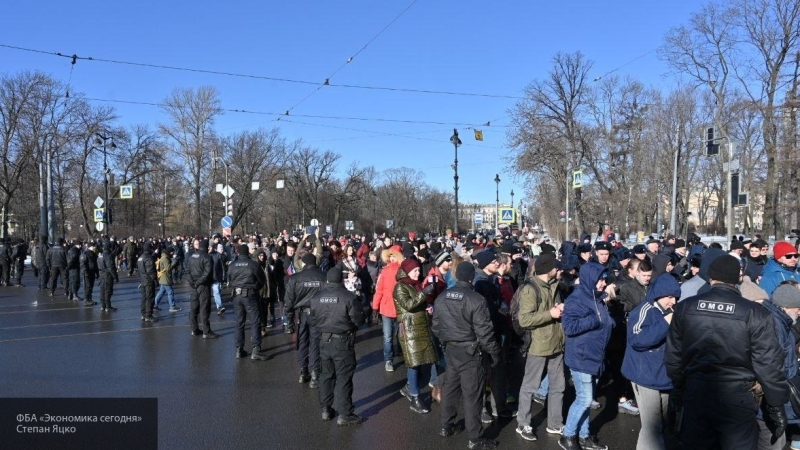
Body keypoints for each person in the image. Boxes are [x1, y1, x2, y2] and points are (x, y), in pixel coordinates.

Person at [665, 255, 789, 449]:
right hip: (738, 397)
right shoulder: (756, 313)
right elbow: (769, 364)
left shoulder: (686, 307)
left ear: (711, 278)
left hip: (698, 390)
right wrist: (776, 405)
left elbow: (674, 356)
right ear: (737, 279)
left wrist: (678, 388)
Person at [432, 261, 501, 450]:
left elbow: (436, 326)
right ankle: (475, 438)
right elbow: (485, 333)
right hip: (471, 353)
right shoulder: (476, 299)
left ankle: (447, 426)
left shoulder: (442, 297)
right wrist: (494, 353)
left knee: (451, 389)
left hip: (452, 350)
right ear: (471, 277)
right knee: (473, 396)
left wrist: (447, 341)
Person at [621, 274, 681, 450]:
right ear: (658, 294)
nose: (673, 301)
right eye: (669, 297)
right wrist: (665, 323)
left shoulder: (670, 312)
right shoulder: (643, 310)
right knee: (651, 426)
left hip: (664, 375)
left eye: (676, 297)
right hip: (644, 375)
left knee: (661, 422)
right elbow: (637, 339)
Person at [559, 262, 614, 450]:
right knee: (583, 399)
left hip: (596, 357)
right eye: (600, 280)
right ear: (591, 279)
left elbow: (603, 320)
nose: (603, 283)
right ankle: (567, 436)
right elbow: (569, 327)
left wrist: (610, 322)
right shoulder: (577, 299)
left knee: (587, 400)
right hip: (581, 357)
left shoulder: (596, 298)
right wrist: (595, 320)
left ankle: (584, 436)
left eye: (605, 280)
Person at [515, 253, 566, 442]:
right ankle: (523, 423)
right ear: (548, 270)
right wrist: (550, 313)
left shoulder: (554, 285)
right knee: (530, 386)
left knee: (558, 386)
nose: (559, 270)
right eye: (556, 267)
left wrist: (560, 308)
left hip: (557, 342)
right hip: (538, 344)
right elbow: (525, 319)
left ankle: (555, 423)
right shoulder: (530, 289)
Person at [310, 266, 365, 426]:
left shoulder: (317, 297)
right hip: (342, 341)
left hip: (324, 340)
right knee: (343, 377)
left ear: (327, 280)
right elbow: (358, 320)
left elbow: (312, 320)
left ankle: (326, 409)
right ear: (342, 280)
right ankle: (345, 414)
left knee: (326, 375)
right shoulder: (349, 297)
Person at [758, 284, 800, 450]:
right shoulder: (775, 326)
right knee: (772, 443)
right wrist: (776, 407)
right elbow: (770, 368)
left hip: (778, 396)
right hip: (772, 399)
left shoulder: (782, 322)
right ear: (786, 306)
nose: (799, 312)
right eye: (798, 308)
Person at [394, 258, 439, 414]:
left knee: (423, 361)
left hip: (421, 327)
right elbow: (407, 305)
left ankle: (409, 387)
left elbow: (417, 303)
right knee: (414, 363)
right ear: (407, 271)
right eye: (415, 271)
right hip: (408, 328)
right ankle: (414, 397)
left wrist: (427, 307)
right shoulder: (400, 287)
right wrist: (423, 293)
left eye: (419, 270)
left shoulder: (415, 284)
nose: (418, 273)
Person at [285, 252, 327, 387]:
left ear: (303, 263)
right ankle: (315, 374)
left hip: (302, 314)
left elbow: (289, 301)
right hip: (318, 314)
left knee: (302, 342)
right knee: (315, 343)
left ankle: (303, 372)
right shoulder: (324, 276)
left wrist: (289, 319)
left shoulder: (295, 278)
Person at [229, 244, 267, 361]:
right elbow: (262, 280)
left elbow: (229, 279)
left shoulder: (232, 265)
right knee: (255, 321)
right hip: (250, 295)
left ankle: (239, 349)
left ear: (238, 252)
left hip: (236, 295)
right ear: (248, 253)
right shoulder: (253, 265)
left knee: (239, 322)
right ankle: (256, 349)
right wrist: (255, 287)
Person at [372, 245, 404, 372]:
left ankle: (393, 356)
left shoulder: (403, 271)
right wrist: (375, 306)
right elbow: (379, 290)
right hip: (387, 308)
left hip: (398, 308)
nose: (392, 258)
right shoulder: (385, 271)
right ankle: (388, 360)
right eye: (390, 255)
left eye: (394, 255)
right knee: (388, 336)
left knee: (396, 335)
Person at [187, 239, 216, 339]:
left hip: (194, 286)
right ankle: (206, 332)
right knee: (204, 308)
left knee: (194, 308)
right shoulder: (207, 257)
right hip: (203, 286)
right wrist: (199, 282)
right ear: (207, 247)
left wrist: (192, 283)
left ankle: (194, 329)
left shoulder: (192, 256)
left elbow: (188, 271)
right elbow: (207, 273)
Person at [155, 246, 181, 312]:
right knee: (170, 292)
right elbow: (168, 268)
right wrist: (174, 261)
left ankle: (154, 304)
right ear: (169, 252)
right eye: (172, 252)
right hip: (165, 278)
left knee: (161, 292)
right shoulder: (165, 259)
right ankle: (172, 307)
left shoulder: (164, 257)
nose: (173, 253)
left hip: (163, 278)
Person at [137, 242, 158, 322]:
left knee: (144, 298)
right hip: (148, 281)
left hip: (142, 280)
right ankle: (148, 315)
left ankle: (143, 314)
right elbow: (151, 271)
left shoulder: (140, 258)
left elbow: (139, 271)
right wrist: (155, 280)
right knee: (150, 298)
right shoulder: (149, 258)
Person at [97, 240, 119, 312]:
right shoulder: (108, 256)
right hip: (107, 275)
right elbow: (111, 267)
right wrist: (115, 277)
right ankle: (108, 306)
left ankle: (103, 306)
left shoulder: (100, 255)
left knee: (102, 290)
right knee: (108, 291)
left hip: (102, 274)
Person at [79, 242, 99, 306]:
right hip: (87, 272)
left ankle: (90, 298)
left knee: (91, 286)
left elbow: (95, 264)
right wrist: (85, 272)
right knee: (88, 286)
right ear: (90, 247)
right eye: (93, 246)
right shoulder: (85, 254)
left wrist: (97, 272)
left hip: (92, 272)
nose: (94, 248)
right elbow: (83, 264)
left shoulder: (93, 253)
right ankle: (87, 299)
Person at [211, 244, 227, 316]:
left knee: (218, 291)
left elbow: (223, 268)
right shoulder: (214, 256)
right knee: (216, 291)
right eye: (220, 248)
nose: (222, 250)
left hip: (218, 277)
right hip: (214, 277)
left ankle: (219, 306)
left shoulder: (221, 256)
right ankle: (219, 306)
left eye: (222, 248)